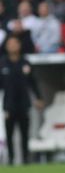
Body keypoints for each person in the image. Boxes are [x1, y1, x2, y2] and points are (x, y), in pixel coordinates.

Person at [0, 34, 43, 165]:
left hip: (24, 104)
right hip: (9, 104)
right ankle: (12, 160)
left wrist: (39, 97)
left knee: (25, 134)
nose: (12, 46)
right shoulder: (2, 63)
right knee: (9, 134)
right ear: (6, 46)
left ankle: (25, 160)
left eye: (15, 43)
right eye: (10, 44)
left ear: (19, 45)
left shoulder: (25, 62)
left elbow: (33, 82)